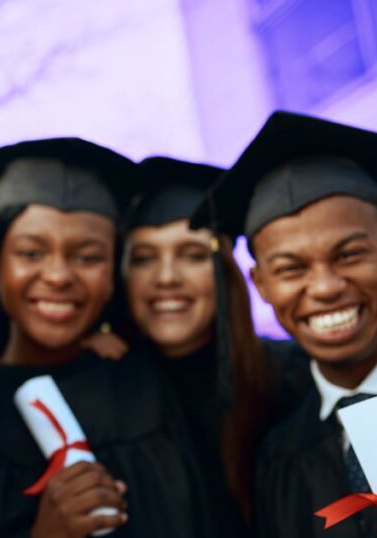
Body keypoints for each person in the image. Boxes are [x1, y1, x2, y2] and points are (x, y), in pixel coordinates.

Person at [192, 111, 377, 538]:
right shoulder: (281, 457)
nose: (325, 287)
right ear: (260, 284)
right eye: (290, 269)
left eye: (349, 254)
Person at [0, 138, 219, 538]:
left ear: (111, 278)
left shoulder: (148, 377)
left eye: (87, 257)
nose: (58, 276)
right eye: (31, 254)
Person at [121, 156, 310, 535]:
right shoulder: (108, 397)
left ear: (224, 269)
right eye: (144, 258)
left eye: (192, 255)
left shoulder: (295, 378)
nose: (167, 277)